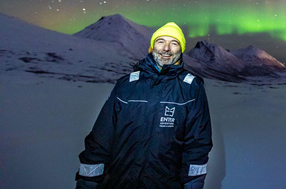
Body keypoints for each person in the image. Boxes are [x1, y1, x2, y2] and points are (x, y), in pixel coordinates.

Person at [75, 22, 213, 189]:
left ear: (181, 50)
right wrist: (88, 182)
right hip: (118, 182)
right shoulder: (127, 85)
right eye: (160, 41)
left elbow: (197, 146)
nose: (166, 48)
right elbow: (101, 137)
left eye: (174, 43)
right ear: (151, 47)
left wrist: (193, 185)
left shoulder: (191, 89)